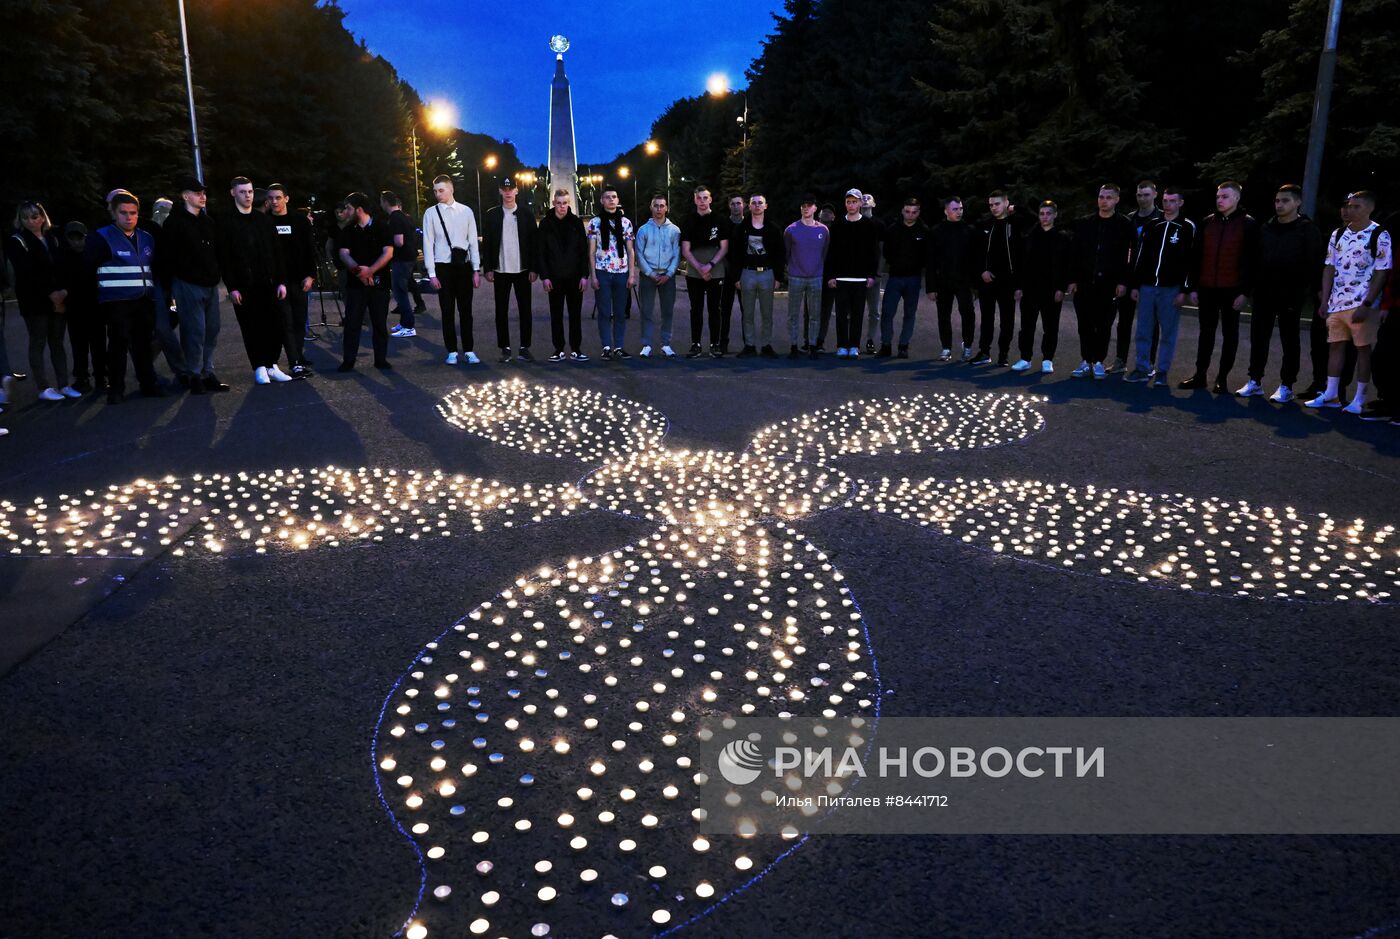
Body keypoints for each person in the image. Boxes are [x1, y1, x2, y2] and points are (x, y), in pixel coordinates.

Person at [1237, 184, 1325, 402]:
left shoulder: (1307, 229)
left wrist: (1315, 291)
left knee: (1289, 340)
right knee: (1259, 338)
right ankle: (1255, 381)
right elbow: (1254, 261)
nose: (1279, 205)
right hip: (1264, 292)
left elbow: (1314, 264)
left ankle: (1287, 385)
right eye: (1277, 201)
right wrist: (1247, 290)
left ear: (1297, 203)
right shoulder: (1266, 227)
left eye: (1285, 201)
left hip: (1291, 294)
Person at [1306, 190, 1392, 413]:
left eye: (1357, 206)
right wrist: (1325, 300)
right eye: (1349, 206)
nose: (1350, 210)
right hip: (1337, 302)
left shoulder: (1379, 234)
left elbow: (1382, 271)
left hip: (1362, 302)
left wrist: (1368, 303)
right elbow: (1329, 266)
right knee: (1335, 346)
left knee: (1363, 349)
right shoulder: (1338, 233)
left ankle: (1359, 398)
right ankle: (1331, 394)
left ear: (1369, 208)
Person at [84, 191, 164, 403]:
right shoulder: (101, 237)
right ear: (114, 213)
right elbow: (88, 270)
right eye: (124, 213)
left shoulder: (147, 238)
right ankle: (116, 389)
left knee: (143, 344)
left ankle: (148, 384)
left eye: (133, 213)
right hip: (116, 301)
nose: (129, 217)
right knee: (118, 345)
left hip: (144, 300)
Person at [1182, 180, 1258, 392]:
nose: (1220, 200)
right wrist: (1194, 287)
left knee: (1230, 334)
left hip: (1232, 289)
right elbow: (1196, 256)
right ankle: (1200, 375)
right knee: (1205, 333)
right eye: (1218, 197)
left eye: (1225, 196)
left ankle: (1221, 378)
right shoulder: (1207, 222)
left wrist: (1245, 292)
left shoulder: (1248, 224)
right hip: (1207, 287)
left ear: (1236, 198)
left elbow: (1252, 262)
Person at [218, 176, 291, 384]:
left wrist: (281, 281)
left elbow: (277, 254)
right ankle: (259, 366)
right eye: (242, 192)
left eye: (250, 192)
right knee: (251, 326)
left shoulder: (263, 220)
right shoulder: (226, 222)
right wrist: (232, 287)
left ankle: (272, 365)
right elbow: (225, 258)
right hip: (244, 285)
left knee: (274, 324)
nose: (247, 196)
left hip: (268, 283)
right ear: (233, 193)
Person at [159, 175, 227, 393]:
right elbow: (168, 256)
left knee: (212, 330)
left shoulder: (207, 222)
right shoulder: (174, 223)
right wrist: (170, 286)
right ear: (185, 196)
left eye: (203, 193)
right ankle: (194, 374)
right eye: (198, 193)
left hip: (209, 283)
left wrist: (220, 280)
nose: (203, 196)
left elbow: (216, 253)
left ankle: (206, 372)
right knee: (194, 330)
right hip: (187, 283)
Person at [5, 201, 77, 400]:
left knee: (57, 342)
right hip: (35, 300)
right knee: (38, 341)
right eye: (25, 217)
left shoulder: (52, 238)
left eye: (35, 216)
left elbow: (63, 266)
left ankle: (63, 384)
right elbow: (26, 272)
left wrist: (63, 291)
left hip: (58, 296)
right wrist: (52, 292)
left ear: (42, 217)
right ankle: (43, 387)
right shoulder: (18, 240)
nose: (31, 221)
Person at [1124, 186, 1196, 386]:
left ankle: (1162, 371)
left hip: (1170, 289)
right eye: (1165, 201)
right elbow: (1141, 256)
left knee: (1168, 332)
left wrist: (1185, 290)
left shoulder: (1187, 227)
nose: (1168, 204)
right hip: (1147, 286)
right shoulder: (1152, 225)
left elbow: (1191, 261)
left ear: (1180, 203)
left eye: (1173, 201)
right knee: (1143, 331)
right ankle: (1142, 368)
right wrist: (1136, 285)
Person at [1068, 183, 1134, 379]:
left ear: (1116, 200)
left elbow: (1129, 255)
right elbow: (1075, 253)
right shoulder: (1085, 223)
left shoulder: (1124, 224)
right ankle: (1085, 360)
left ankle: (1098, 361)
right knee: (1085, 324)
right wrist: (1073, 279)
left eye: (1108, 197)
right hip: (1085, 282)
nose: (1104, 201)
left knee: (1104, 324)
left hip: (1110, 284)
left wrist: (1123, 281)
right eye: (1101, 197)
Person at [422, 175, 482, 365]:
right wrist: (431, 273)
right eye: (435, 191)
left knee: (466, 311)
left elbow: (473, 242)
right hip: (442, 267)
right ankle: (452, 351)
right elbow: (427, 243)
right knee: (447, 310)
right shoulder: (430, 213)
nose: (438, 194)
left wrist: (476, 269)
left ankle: (469, 350)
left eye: (441, 190)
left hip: (463, 266)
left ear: (451, 189)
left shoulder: (466, 212)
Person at [482, 177, 539, 362]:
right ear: (500, 191)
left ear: (516, 191)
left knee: (525, 310)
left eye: (511, 188)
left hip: (522, 269)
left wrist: (533, 268)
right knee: (501, 310)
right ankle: (505, 348)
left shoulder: (526, 214)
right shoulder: (492, 215)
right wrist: (488, 268)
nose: (507, 192)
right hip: (501, 270)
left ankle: (524, 347)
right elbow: (488, 244)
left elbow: (533, 243)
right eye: (504, 189)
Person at [336, 192, 394, 372]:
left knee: (379, 323)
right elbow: (343, 254)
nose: (346, 211)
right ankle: (348, 361)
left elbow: (388, 252)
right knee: (352, 323)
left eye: (349, 208)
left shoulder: (382, 227)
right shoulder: (348, 230)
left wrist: (371, 270)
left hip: (380, 283)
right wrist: (359, 271)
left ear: (359, 210)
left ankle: (381, 360)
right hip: (355, 285)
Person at [1111, 180, 1164, 372]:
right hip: (1129, 277)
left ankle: (1148, 362)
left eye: (1146, 195)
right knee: (1123, 321)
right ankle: (1120, 360)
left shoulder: (1161, 219)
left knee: (1151, 324)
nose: (1142, 199)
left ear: (1155, 195)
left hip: (1150, 279)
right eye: (1139, 195)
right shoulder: (1130, 219)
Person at [1012, 200, 1071, 373]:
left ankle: (1047, 360)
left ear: (1055, 215)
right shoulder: (1031, 235)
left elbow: (1065, 265)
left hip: (1052, 290)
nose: (1045, 217)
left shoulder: (1062, 237)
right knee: (1027, 326)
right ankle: (1025, 358)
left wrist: (1061, 288)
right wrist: (1019, 286)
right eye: (1042, 214)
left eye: (1048, 213)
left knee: (1051, 326)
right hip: (1030, 288)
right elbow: (1022, 263)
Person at [268, 183, 317, 377]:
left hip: (299, 279)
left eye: (278, 197)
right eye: (271, 198)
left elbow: (309, 249)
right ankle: (294, 362)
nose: (274, 201)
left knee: (299, 320)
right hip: (277, 282)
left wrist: (310, 275)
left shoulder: (300, 221)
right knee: (285, 321)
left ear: (286, 198)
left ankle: (298, 355)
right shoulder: (265, 222)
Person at [826, 188, 881, 358]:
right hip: (841, 277)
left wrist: (871, 275)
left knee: (858, 314)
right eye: (848, 202)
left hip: (860, 278)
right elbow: (831, 252)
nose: (851, 204)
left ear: (860, 203)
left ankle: (854, 345)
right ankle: (842, 345)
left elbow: (873, 252)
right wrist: (831, 275)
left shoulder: (869, 225)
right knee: (841, 314)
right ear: (845, 204)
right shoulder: (837, 225)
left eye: (854, 201)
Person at [536, 188, 590, 362]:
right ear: (553, 203)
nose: (562, 207)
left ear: (569, 203)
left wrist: (584, 275)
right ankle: (558, 349)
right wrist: (544, 277)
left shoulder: (576, 223)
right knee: (556, 315)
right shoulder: (545, 224)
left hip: (575, 278)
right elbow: (541, 253)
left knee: (575, 315)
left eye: (565, 203)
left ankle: (576, 349)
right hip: (554, 278)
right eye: (558, 203)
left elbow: (583, 251)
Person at [679, 185, 730, 358]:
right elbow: (685, 249)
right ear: (694, 200)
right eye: (699, 198)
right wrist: (700, 268)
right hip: (694, 271)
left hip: (716, 270)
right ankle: (696, 344)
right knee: (696, 309)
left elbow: (724, 247)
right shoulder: (688, 220)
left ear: (710, 199)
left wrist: (710, 265)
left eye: (705, 198)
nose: (702, 201)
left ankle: (715, 344)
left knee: (715, 309)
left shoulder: (720, 220)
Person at [975, 191, 1025, 365]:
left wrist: (1016, 208)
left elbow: (1034, 218)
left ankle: (1003, 354)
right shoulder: (985, 224)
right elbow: (977, 252)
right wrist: (982, 271)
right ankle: (984, 352)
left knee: (1007, 320)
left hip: (1008, 281)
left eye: (997, 203)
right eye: (991, 204)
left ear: (1006, 203)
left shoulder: (1016, 223)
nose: (994, 207)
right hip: (987, 280)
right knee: (987, 318)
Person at [587, 186, 637, 359]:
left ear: (618, 199)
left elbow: (631, 251)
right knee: (604, 312)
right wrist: (593, 275)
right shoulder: (595, 223)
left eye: (614, 197)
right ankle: (607, 347)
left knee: (620, 312)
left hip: (622, 272)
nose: (611, 200)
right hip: (602, 271)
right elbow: (591, 252)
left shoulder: (626, 223)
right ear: (602, 200)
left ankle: (619, 347)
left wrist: (631, 274)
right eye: (607, 197)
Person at [735, 192, 786, 358]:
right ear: (749, 206)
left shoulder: (773, 228)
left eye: (760, 203)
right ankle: (749, 345)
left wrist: (778, 277)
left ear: (766, 206)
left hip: (767, 274)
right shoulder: (742, 228)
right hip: (747, 273)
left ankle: (766, 345)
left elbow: (780, 254)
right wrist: (737, 277)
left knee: (767, 313)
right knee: (747, 313)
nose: (757, 205)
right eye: (754, 203)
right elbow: (734, 253)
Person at [926, 196, 978, 361]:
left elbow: (974, 259)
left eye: (961, 208)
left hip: (964, 281)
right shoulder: (937, 231)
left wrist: (975, 285)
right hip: (943, 281)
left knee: (968, 313)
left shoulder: (969, 231)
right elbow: (931, 261)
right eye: (955, 209)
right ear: (946, 211)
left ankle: (967, 346)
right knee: (943, 315)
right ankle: (946, 348)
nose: (959, 212)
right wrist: (931, 287)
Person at [57, 221, 104, 393]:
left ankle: (98, 376)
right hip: (77, 307)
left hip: (92, 305)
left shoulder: (92, 255)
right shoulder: (64, 256)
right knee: (81, 345)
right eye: (73, 238)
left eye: (80, 238)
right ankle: (84, 377)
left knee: (95, 344)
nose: (77, 242)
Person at [878, 197, 927, 358]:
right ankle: (886, 344)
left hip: (913, 278)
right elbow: (886, 252)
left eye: (914, 212)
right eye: (907, 211)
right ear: (902, 211)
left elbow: (927, 256)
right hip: (895, 277)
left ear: (918, 212)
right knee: (887, 312)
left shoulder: (924, 231)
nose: (910, 215)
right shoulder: (892, 230)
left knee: (910, 314)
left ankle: (903, 345)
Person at [635, 194, 681, 357]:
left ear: (667, 208)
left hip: (667, 276)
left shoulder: (675, 230)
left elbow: (677, 253)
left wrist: (669, 273)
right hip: (648, 276)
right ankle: (646, 344)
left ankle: (666, 343)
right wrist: (650, 273)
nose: (659, 209)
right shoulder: (643, 230)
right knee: (646, 311)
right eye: (656, 206)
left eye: (662, 206)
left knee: (667, 311)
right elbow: (639, 254)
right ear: (651, 208)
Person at [784, 195, 829, 359]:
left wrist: (817, 268)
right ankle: (794, 345)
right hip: (796, 276)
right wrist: (793, 269)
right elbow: (787, 253)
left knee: (815, 314)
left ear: (815, 208)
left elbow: (824, 253)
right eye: (803, 205)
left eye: (809, 205)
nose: (806, 208)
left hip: (816, 277)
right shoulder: (791, 229)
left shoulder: (823, 230)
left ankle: (812, 345)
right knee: (793, 313)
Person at [381, 191, 419, 339]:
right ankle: (404, 323)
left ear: (385, 202)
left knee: (399, 292)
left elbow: (399, 241)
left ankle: (408, 326)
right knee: (401, 291)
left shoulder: (395, 218)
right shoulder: (403, 216)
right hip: (408, 258)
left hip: (401, 259)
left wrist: (386, 242)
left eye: (381, 200)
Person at [715, 194, 746, 355]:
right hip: (726, 273)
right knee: (725, 310)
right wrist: (731, 274)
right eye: (733, 204)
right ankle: (723, 343)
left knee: (746, 311)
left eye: (738, 203)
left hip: (745, 274)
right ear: (729, 205)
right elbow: (721, 250)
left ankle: (748, 344)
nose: (736, 206)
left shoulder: (748, 224)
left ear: (744, 205)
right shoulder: (723, 224)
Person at [860, 192, 883, 353]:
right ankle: (852, 340)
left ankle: (870, 340)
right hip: (856, 275)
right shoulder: (853, 222)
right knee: (853, 311)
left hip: (874, 275)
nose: (866, 201)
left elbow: (881, 250)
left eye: (869, 198)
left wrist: (877, 273)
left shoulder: (879, 225)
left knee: (874, 311)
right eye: (863, 199)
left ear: (874, 204)